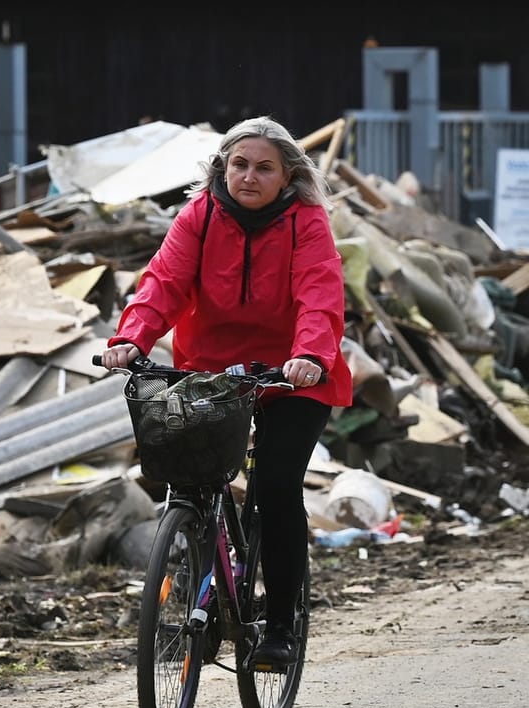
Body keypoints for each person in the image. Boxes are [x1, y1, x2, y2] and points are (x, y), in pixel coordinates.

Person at [101, 115, 353, 666]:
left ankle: (282, 625)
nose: (249, 176)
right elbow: (163, 283)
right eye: (239, 164)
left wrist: (310, 355)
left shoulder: (306, 222)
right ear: (221, 167)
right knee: (191, 480)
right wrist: (130, 339)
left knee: (278, 488)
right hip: (214, 372)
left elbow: (320, 293)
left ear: (287, 177)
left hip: (296, 373)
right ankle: (201, 590)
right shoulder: (199, 216)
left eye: (265, 168)